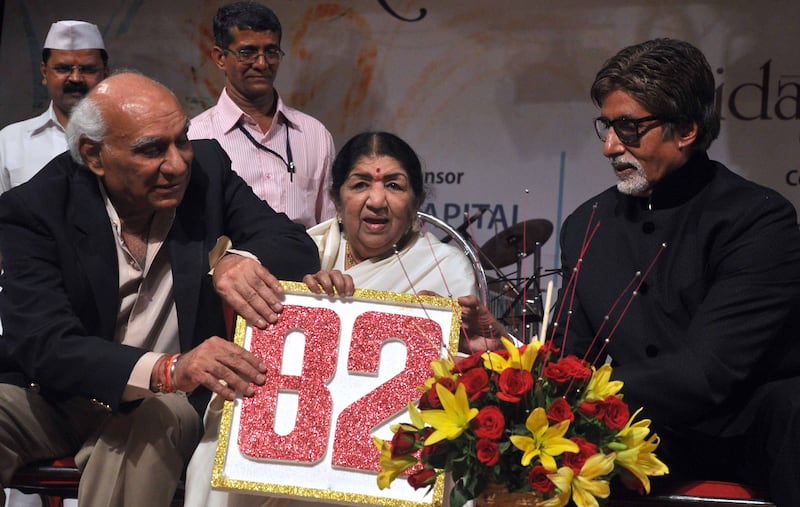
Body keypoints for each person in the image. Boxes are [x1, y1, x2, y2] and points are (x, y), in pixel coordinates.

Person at [0, 71, 321, 507]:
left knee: (157, 416)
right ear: (94, 156)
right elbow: (43, 343)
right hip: (57, 398)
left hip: (165, 405)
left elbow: (294, 244)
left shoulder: (206, 171)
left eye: (182, 139)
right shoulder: (37, 209)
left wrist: (238, 259)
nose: (177, 163)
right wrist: (169, 368)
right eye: (152, 149)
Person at [183, 131, 496, 507]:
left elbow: (459, 372)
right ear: (335, 198)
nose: (376, 200)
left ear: (416, 204)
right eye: (360, 184)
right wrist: (308, 300)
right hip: (289, 425)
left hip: (390, 442)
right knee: (216, 449)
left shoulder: (443, 267)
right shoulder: (301, 255)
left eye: (394, 186)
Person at [553, 38, 800, 506]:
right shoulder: (585, 225)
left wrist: (590, 394)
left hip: (752, 431)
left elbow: (707, 372)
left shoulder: (758, 219)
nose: (609, 147)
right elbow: (569, 358)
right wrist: (513, 362)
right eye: (606, 126)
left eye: (628, 128)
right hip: (648, 429)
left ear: (685, 129)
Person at [189, 1, 336, 228]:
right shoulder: (195, 137)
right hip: (227, 262)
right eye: (247, 52)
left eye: (271, 52)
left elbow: (329, 227)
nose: (261, 63)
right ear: (220, 58)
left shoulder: (314, 134)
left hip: (307, 262)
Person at [0, 20, 109, 194]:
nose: (75, 78)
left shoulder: (122, 137)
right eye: (63, 68)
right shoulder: (10, 141)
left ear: (105, 74)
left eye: (88, 69)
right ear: (44, 73)